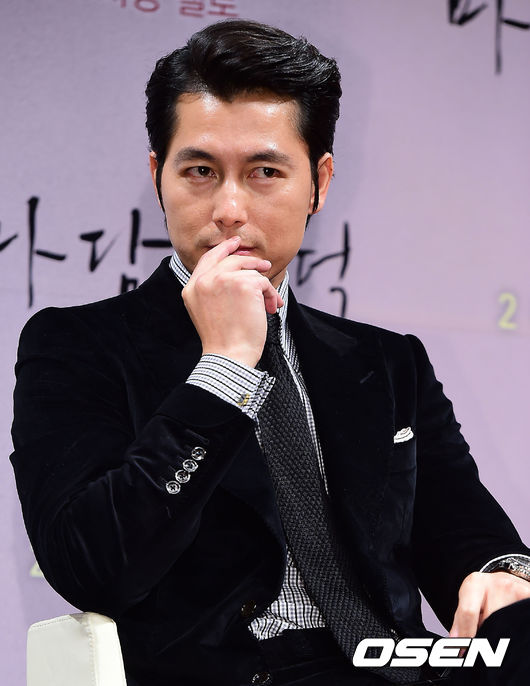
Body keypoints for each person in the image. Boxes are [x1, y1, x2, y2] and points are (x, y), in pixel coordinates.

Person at [10, 19, 530, 686]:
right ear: (159, 176)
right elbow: (92, 567)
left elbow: (469, 536)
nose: (229, 209)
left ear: (319, 182)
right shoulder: (77, 345)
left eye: (264, 172)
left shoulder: (388, 362)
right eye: (200, 171)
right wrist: (223, 368)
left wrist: (505, 574)